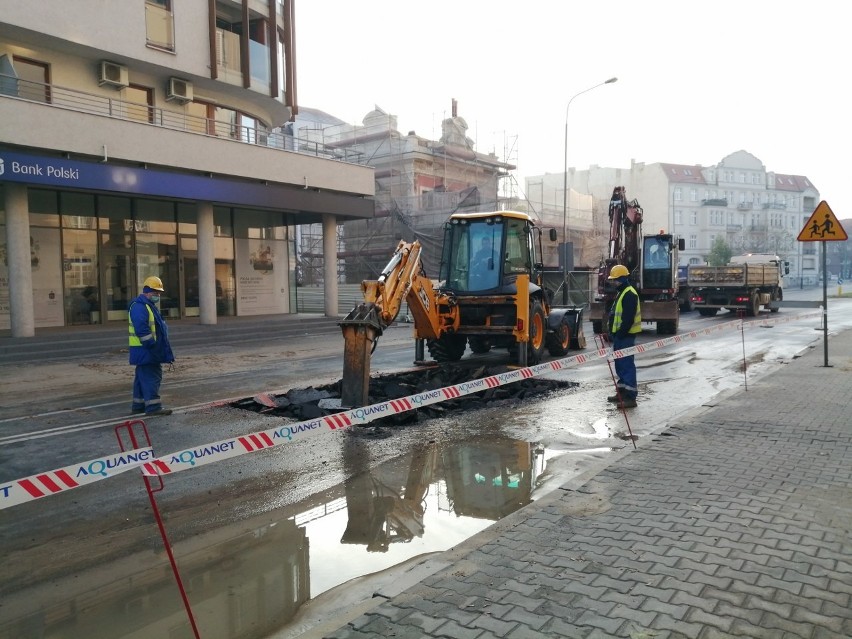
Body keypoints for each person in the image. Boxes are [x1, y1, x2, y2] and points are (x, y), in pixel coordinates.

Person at [128, 275, 175, 416]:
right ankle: (153, 407)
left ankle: (138, 405)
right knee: (152, 377)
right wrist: (152, 345)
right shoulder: (140, 307)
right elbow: (142, 329)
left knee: (142, 377)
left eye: (159, 293)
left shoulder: (147, 306)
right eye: (155, 293)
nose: (158, 296)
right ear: (147, 292)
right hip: (146, 350)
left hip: (144, 350)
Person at [606, 264, 641, 408]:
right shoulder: (623, 292)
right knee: (620, 365)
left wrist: (619, 333)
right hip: (619, 336)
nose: (613, 283)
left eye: (615, 280)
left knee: (626, 365)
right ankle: (621, 392)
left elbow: (628, 318)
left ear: (622, 278)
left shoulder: (629, 293)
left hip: (625, 336)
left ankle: (630, 397)